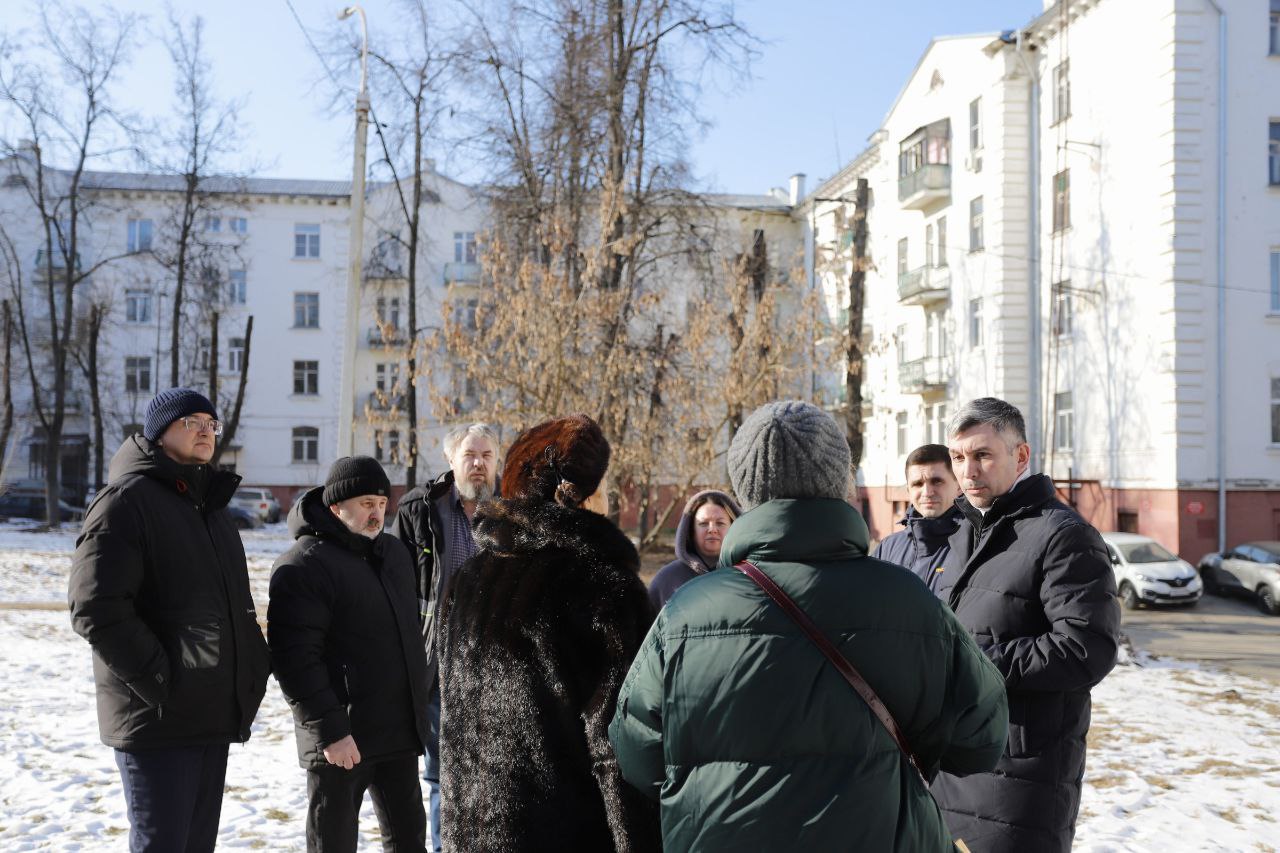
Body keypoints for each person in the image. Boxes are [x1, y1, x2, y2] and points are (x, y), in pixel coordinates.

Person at [609, 400, 1008, 851]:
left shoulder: (684, 614)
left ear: (745, 490)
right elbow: (983, 736)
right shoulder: (909, 601)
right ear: (840, 481)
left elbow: (635, 753)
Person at [437, 414, 660, 852]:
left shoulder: (469, 580)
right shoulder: (602, 587)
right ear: (581, 496)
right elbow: (619, 747)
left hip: (474, 833)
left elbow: (455, 722)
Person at [68, 387, 271, 852]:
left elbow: (233, 606)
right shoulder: (125, 503)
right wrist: (159, 678)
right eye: (191, 422)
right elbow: (94, 606)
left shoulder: (211, 509)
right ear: (160, 433)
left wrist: (253, 665)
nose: (205, 430)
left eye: (211, 423)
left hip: (210, 713)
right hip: (157, 719)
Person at [932, 397, 1120, 853]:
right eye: (958, 458)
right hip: (954, 765)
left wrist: (971, 664)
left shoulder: (1063, 535)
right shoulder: (963, 532)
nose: (968, 471)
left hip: (1019, 777)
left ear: (1020, 456)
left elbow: (1085, 648)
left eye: (982, 455)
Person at [268, 455, 431, 853]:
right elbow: (294, 658)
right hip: (342, 741)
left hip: (396, 733)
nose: (376, 514)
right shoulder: (304, 564)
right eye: (365, 505)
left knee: (409, 841)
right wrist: (331, 730)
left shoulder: (393, 555)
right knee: (333, 844)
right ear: (336, 507)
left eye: (380, 503)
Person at [390, 422, 500, 852]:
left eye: (487, 456)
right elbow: (395, 582)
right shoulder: (421, 509)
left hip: (497, 668)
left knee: (495, 772)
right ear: (451, 460)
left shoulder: (513, 514)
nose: (478, 464)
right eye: (470, 455)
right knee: (443, 774)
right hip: (438, 665)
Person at [874, 443, 963, 591]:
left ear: (959, 486)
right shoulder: (888, 547)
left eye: (937, 481)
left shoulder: (974, 544)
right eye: (917, 484)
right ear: (908, 490)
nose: (927, 492)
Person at [648, 489, 742, 609]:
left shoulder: (750, 575)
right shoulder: (666, 580)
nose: (712, 529)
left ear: (734, 526)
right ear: (690, 531)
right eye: (703, 523)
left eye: (720, 523)